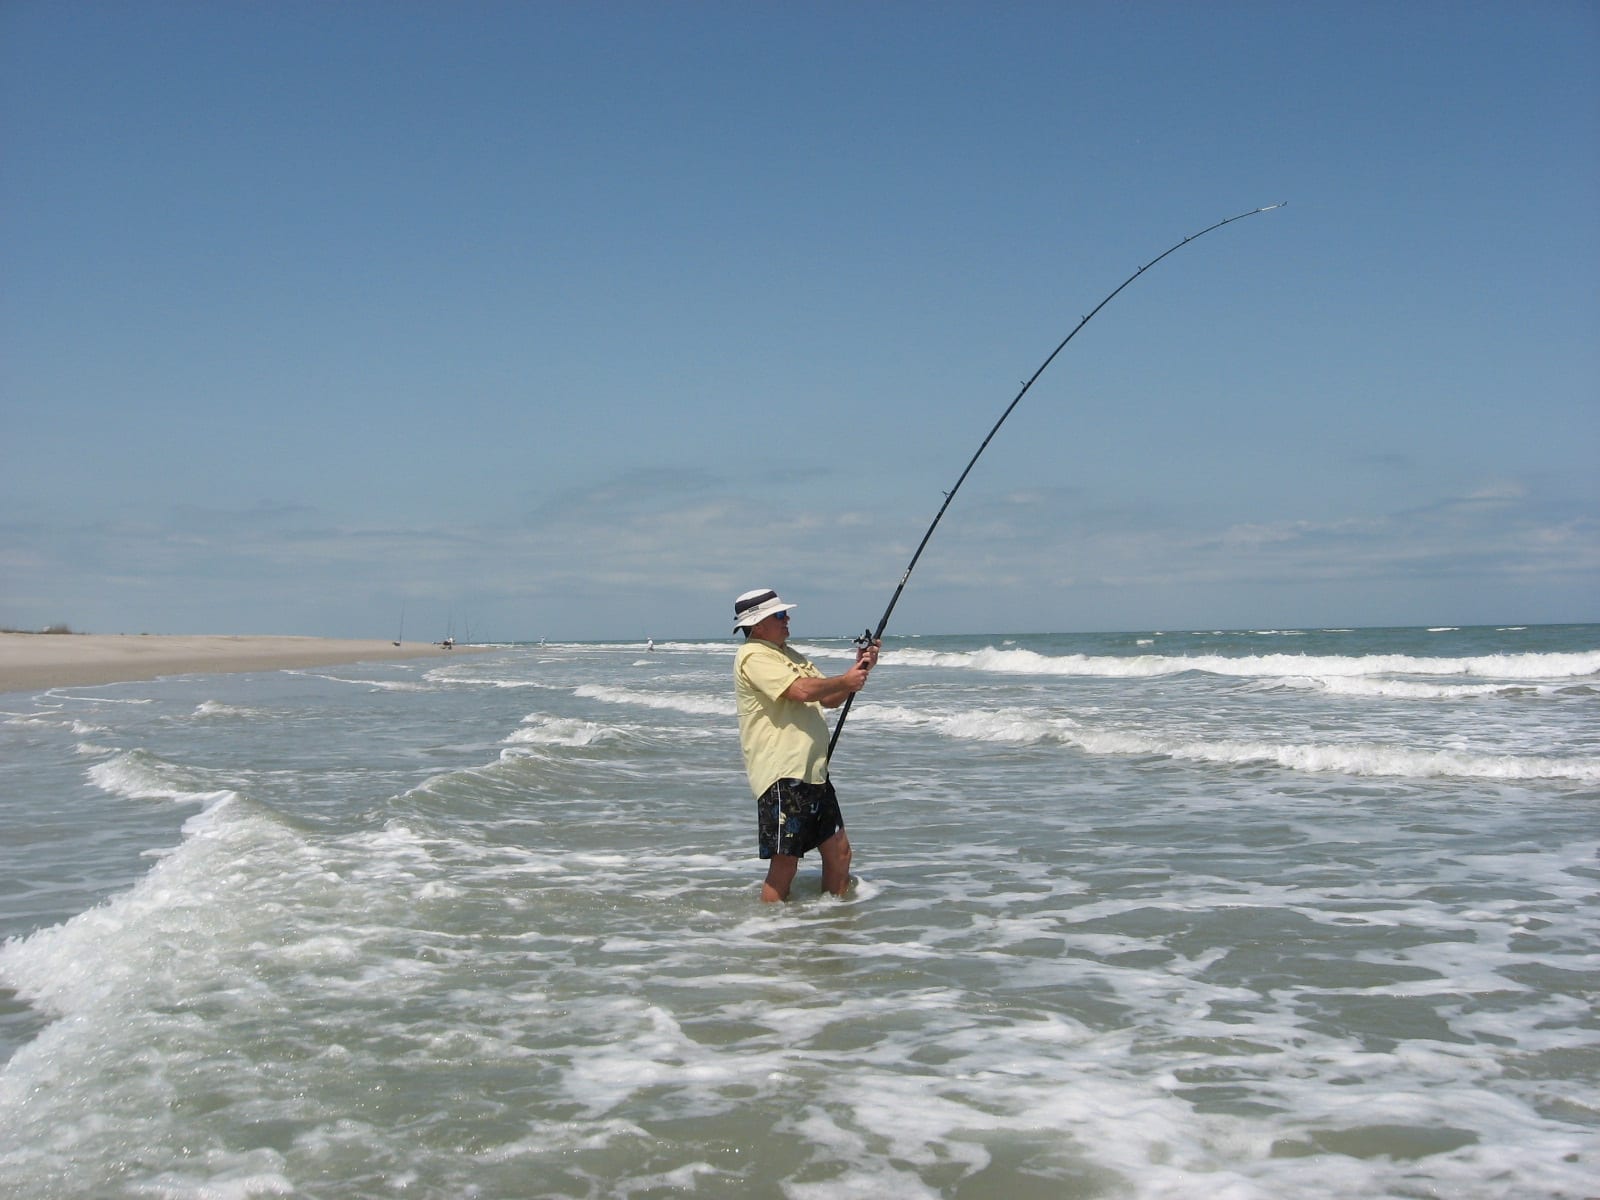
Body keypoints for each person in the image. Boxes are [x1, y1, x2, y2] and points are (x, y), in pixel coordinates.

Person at [731, 588, 880, 902]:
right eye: (779, 615)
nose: (787, 619)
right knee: (785, 863)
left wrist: (860, 670)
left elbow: (829, 698)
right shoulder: (753, 656)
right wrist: (844, 680)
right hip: (783, 775)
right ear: (757, 625)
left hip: (814, 772)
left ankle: (831, 921)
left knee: (840, 853)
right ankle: (771, 927)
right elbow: (799, 691)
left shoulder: (790, 655)